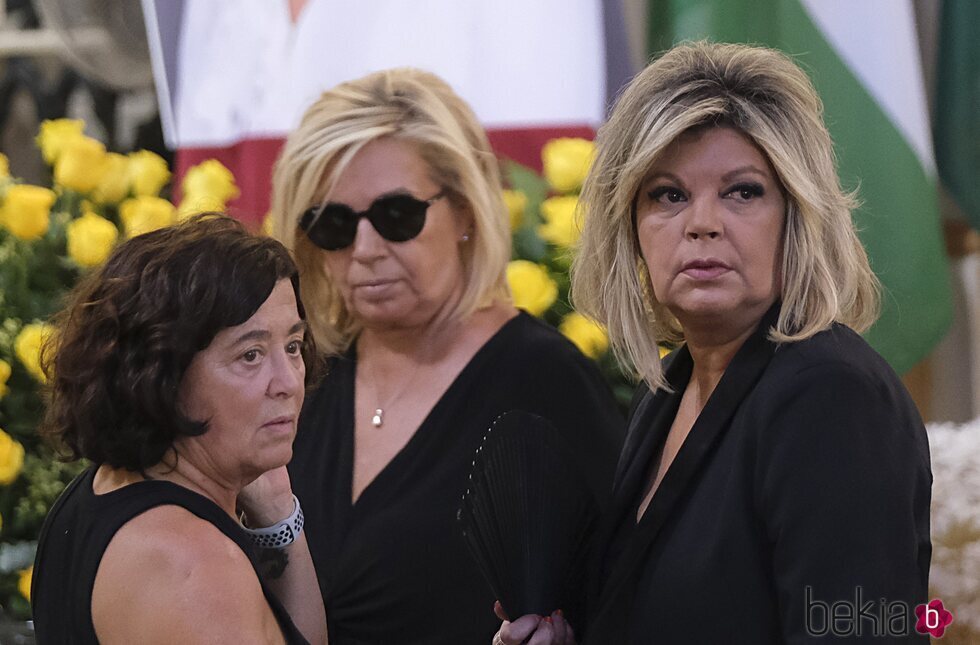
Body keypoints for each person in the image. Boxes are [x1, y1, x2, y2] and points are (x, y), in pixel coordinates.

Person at [497, 41, 932, 644]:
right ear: (632, 228)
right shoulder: (669, 388)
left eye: (742, 191)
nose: (702, 222)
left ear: (796, 216)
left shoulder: (832, 396)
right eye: (668, 194)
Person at [262, 67, 625, 644]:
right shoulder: (303, 380)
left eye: (396, 216)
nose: (365, 250)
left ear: (463, 211)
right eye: (333, 225)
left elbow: (623, 598)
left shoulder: (546, 383)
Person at [31, 215, 327, 645]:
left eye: (293, 347)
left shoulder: (98, 492)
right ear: (162, 373)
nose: (288, 383)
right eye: (250, 355)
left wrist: (279, 515)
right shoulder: (196, 568)